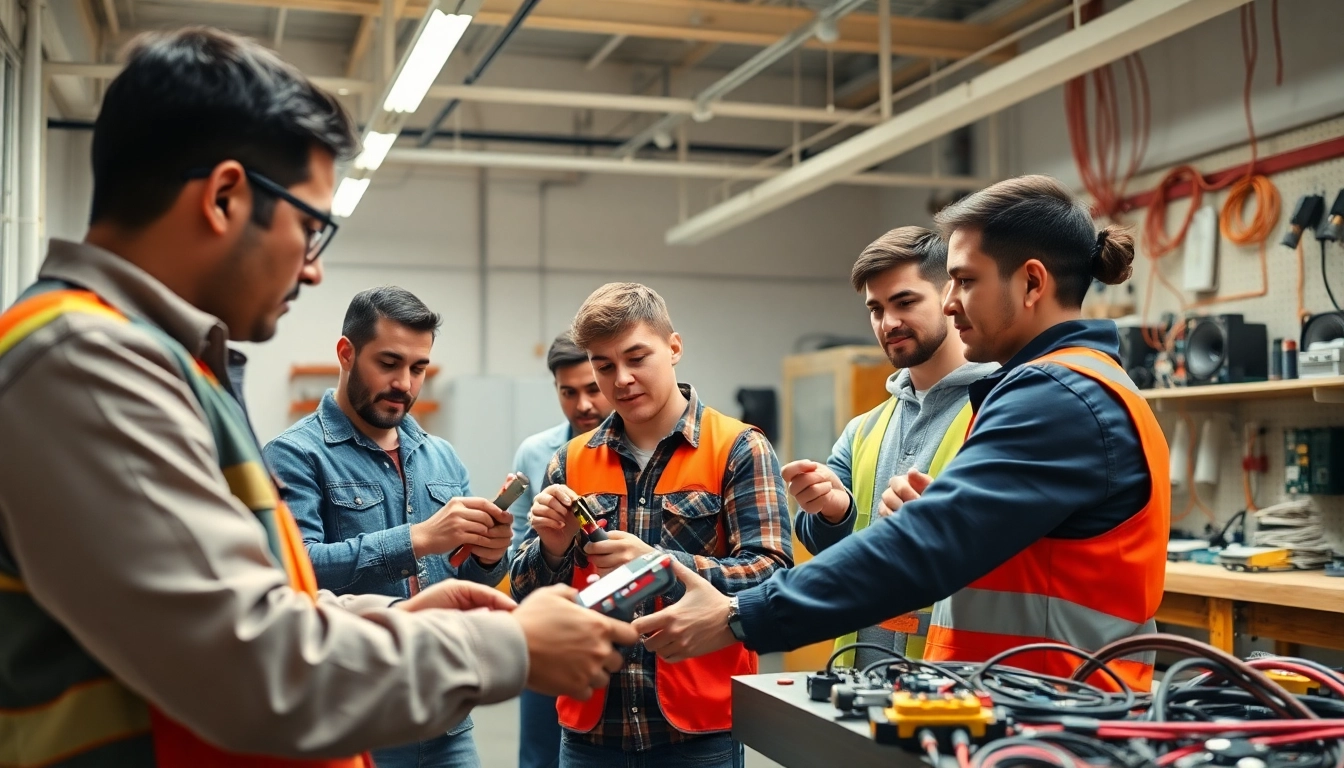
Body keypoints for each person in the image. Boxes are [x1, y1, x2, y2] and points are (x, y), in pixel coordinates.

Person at [0, 28, 635, 767]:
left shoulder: (151, 361)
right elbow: (250, 665)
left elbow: (248, 598)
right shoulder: (87, 362)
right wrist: (508, 645)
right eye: (310, 228)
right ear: (225, 196)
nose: (312, 271)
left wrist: (406, 621)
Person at [632, 175, 1171, 692]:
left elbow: (926, 547)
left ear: (1031, 282)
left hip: (1054, 709)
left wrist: (739, 614)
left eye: (965, 280)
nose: (951, 300)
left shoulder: (1057, 397)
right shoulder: (1071, 387)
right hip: (1023, 700)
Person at [511, 283, 793, 768]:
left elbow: (771, 576)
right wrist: (552, 550)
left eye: (637, 357)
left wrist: (660, 566)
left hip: (700, 733)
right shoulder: (569, 461)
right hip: (590, 733)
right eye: (604, 365)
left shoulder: (739, 448)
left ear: (674, 348)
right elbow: (527, 595)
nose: (621, 379)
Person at [264, 286, 515, 768]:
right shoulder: (294, 455)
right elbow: (296, 573)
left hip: (446, 719)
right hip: (356, 719)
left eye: (418, 368)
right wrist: (417, 538)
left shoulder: (442, 458)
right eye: (389, 363)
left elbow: (466, 583)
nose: (405, 382)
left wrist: (488, 555)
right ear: (346, 353)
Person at [785, 227, 995, 669]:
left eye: (904, 302)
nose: (888, 323)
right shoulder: (864, 429)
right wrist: (831, 511)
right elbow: (821, 542)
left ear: (950, 296)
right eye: (875, 309)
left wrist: (942, 522)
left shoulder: (999, 410)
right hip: (859, 675)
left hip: (952, 680)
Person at [507, 331, 614, 768]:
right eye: (568, 392)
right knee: (540, 753)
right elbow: (519, 547)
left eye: (592, 389)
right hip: (550, 620)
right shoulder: (537, 452)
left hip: (617, 624)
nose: (583, 404)